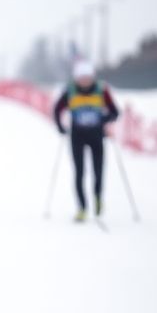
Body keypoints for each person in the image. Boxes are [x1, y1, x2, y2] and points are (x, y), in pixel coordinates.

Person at [53, 58, 120, 221]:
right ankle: (82, 208)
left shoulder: (101, 90)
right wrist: (61, 128)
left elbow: (115, 112)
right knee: (79, 172)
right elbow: (57, 109)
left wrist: (104, 119)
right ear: (76, 78)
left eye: (88, 77)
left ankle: (97, 198)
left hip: (97, 135)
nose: (85, 81)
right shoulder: (70, 91)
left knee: (98, 171)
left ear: (92, 77)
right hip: (77, 136)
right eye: (81, 78)